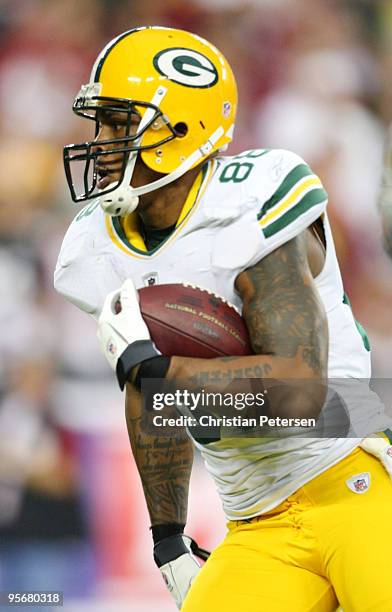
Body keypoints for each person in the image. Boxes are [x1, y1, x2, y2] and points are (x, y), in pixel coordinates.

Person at [55, 26, 392, 611]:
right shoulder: (95, 247)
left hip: (355, 476)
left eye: (119, 124)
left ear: (181, 127)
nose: (102, 141)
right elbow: (147, 393)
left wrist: (161, 371)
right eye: (100, 123)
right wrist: (168, 541)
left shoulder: (251, 198)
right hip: (256, 522)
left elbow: (301, 392)